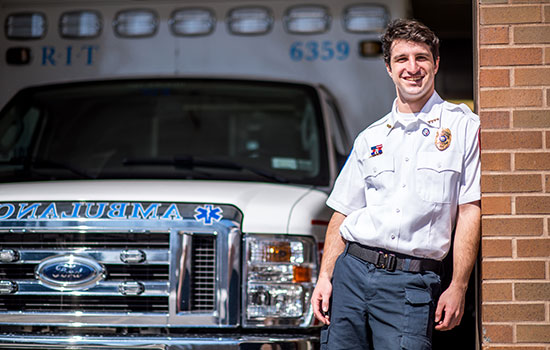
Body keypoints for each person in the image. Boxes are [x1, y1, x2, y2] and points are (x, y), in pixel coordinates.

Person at [311, 18, 481, 350]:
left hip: (411, 282)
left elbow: (470, 211)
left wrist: (459, 285)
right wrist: (324, 278)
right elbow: (342, 214)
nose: (412, 68)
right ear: (389, 68)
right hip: (351, 274)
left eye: (421, 58)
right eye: (402, 59)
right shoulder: (370, 138)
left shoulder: (462, 128)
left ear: (436, 64)